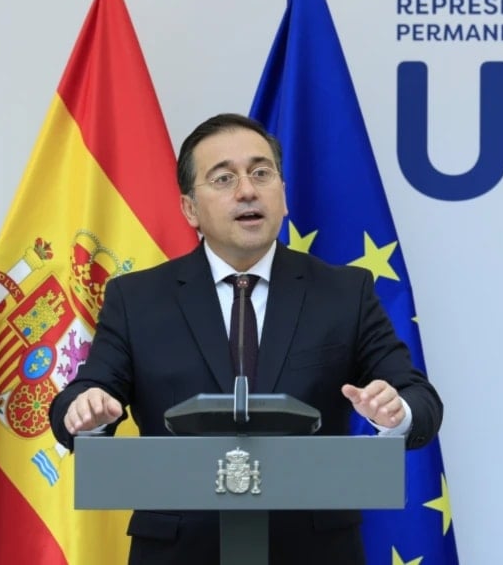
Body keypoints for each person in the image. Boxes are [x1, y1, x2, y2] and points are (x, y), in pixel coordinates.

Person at [49, 113, 443, 565]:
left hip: (313, 551)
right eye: (223, 178)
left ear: (283, 194)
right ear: (189, 210)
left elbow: (420, 399)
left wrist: (397, 412)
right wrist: (88, 410)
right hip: (178, 552)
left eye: (261, 173)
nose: (248, 190)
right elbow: (79, 399)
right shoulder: (137, 299)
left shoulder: (344, 293)